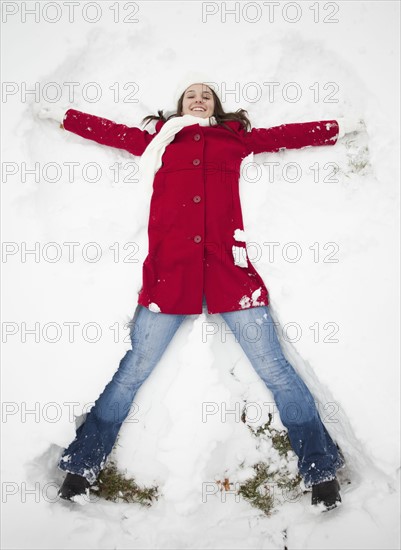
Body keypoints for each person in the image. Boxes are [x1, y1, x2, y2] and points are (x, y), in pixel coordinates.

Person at [37, 76, 363, 510]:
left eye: (205, 95)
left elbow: (287, 136)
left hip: (231, 274)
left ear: (216, 106)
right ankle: (82, 465)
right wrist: (62, 116)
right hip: (170, 277)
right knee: (132, 372)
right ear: (179, 104)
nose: (198, 98)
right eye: (190, 93)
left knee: (278, 372)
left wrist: (339, 127)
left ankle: (320, 471)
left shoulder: (235, 139)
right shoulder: (159, 139)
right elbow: (110, 131)